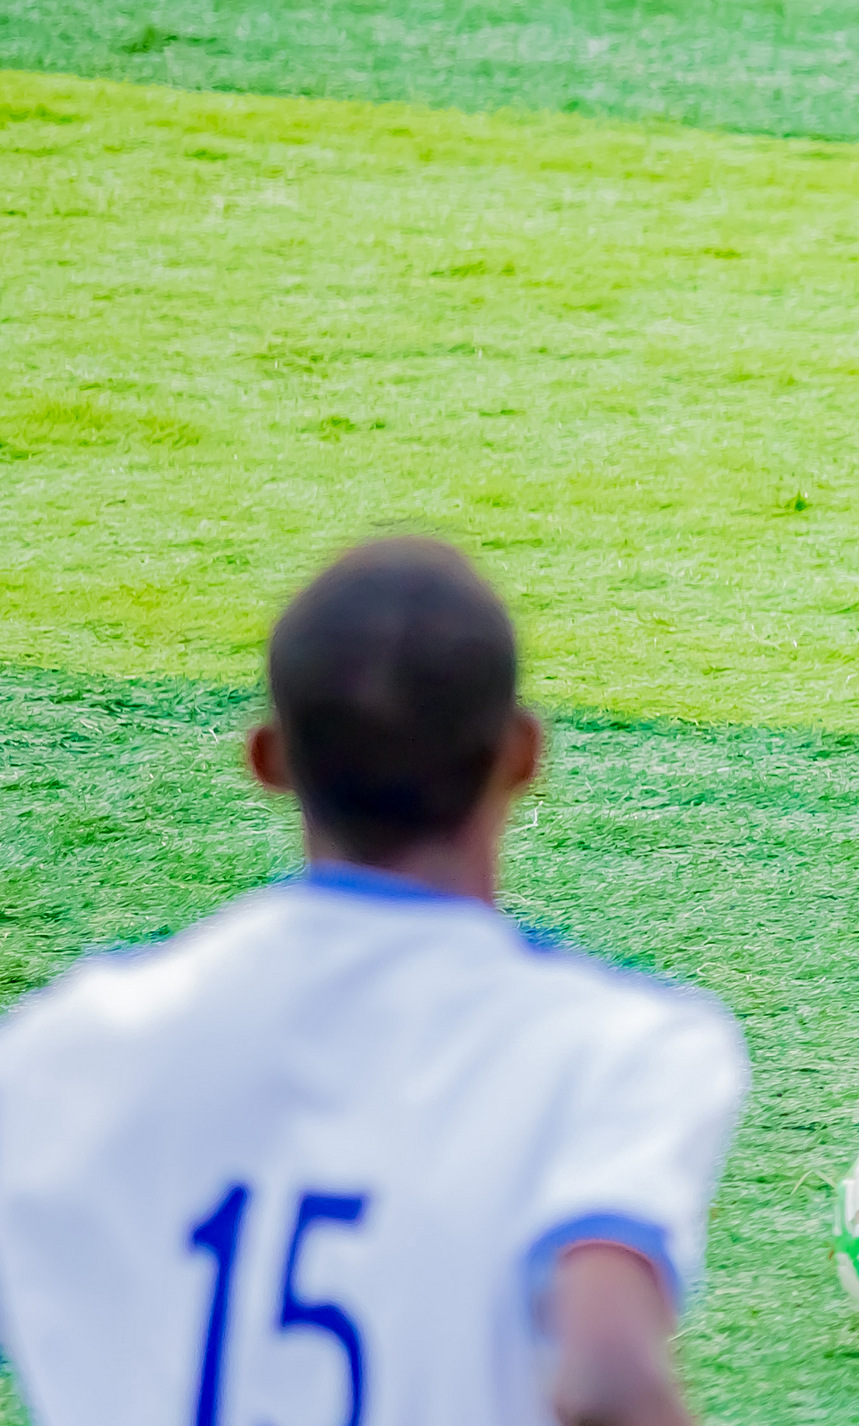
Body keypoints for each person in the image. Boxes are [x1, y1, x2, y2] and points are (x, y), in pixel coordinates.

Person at [0, 539, 747, 1425]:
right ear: (523, 755)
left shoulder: (63, 1045)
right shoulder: (619, 1049)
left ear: (267, 759)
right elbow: (607, 1380)